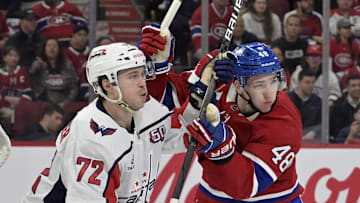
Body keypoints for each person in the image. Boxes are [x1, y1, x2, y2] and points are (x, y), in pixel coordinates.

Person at [23, 41, 234, 202]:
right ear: (108, 85)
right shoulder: (90, 141)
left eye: (142, 74)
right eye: (133, 76)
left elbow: (175, 136)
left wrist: (199, 94)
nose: (143, 84)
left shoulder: (143, 109)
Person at [190, 42, 304, 202]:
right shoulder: (217, 87)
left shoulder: (285, 119)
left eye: (273, 81)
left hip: (275, 199)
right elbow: (165, 102)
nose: (269, 94)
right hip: (214, 197)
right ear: (238, 86)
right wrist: (194, 79)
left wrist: (220, 147)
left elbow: (247, 185)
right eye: (259, 85)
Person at [29, 38, 79, 105]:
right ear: (44, 48)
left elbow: (74, 87)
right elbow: (30, 79)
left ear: (59, 49)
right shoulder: (38, 64)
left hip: (64, 102)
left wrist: (66, 103)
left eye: (55, 46)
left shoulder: (67, 64)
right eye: (49, 45)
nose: (52, 48)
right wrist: (39, 68)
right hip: (42, 102)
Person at [0, 46, 33, 133]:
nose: (13, 58)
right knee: (9, 114)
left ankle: (22, 137)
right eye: (10, 55)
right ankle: (7, 137)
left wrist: (20, 105)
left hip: (21, 105)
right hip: (4, 106)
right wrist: (7, 104)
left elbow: (28, 92)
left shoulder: (22, 71)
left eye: (16, 56)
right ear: (4, 58)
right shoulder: (0, 74)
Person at [288, 69, 322, 142]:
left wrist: (314, 131)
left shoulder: (318, 101)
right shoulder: (287, 100)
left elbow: (321, 123)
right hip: (289, 139)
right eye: (307, 82)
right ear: (299, 83)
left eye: (313, 82)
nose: (311, 85)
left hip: (311, 141)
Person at [330, 74, 360, 142]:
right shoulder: (338, 105)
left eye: (359, 85)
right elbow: (335, 131)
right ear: (347, 87)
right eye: (353, 86)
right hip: (343, 144)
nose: (357, 88)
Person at [64, 25, 90, 100]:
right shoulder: (66, 53)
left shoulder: (91, 52)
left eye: (85, 35)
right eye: (79, 34)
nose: (82, 38)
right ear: (73, 36)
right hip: (72, 86)